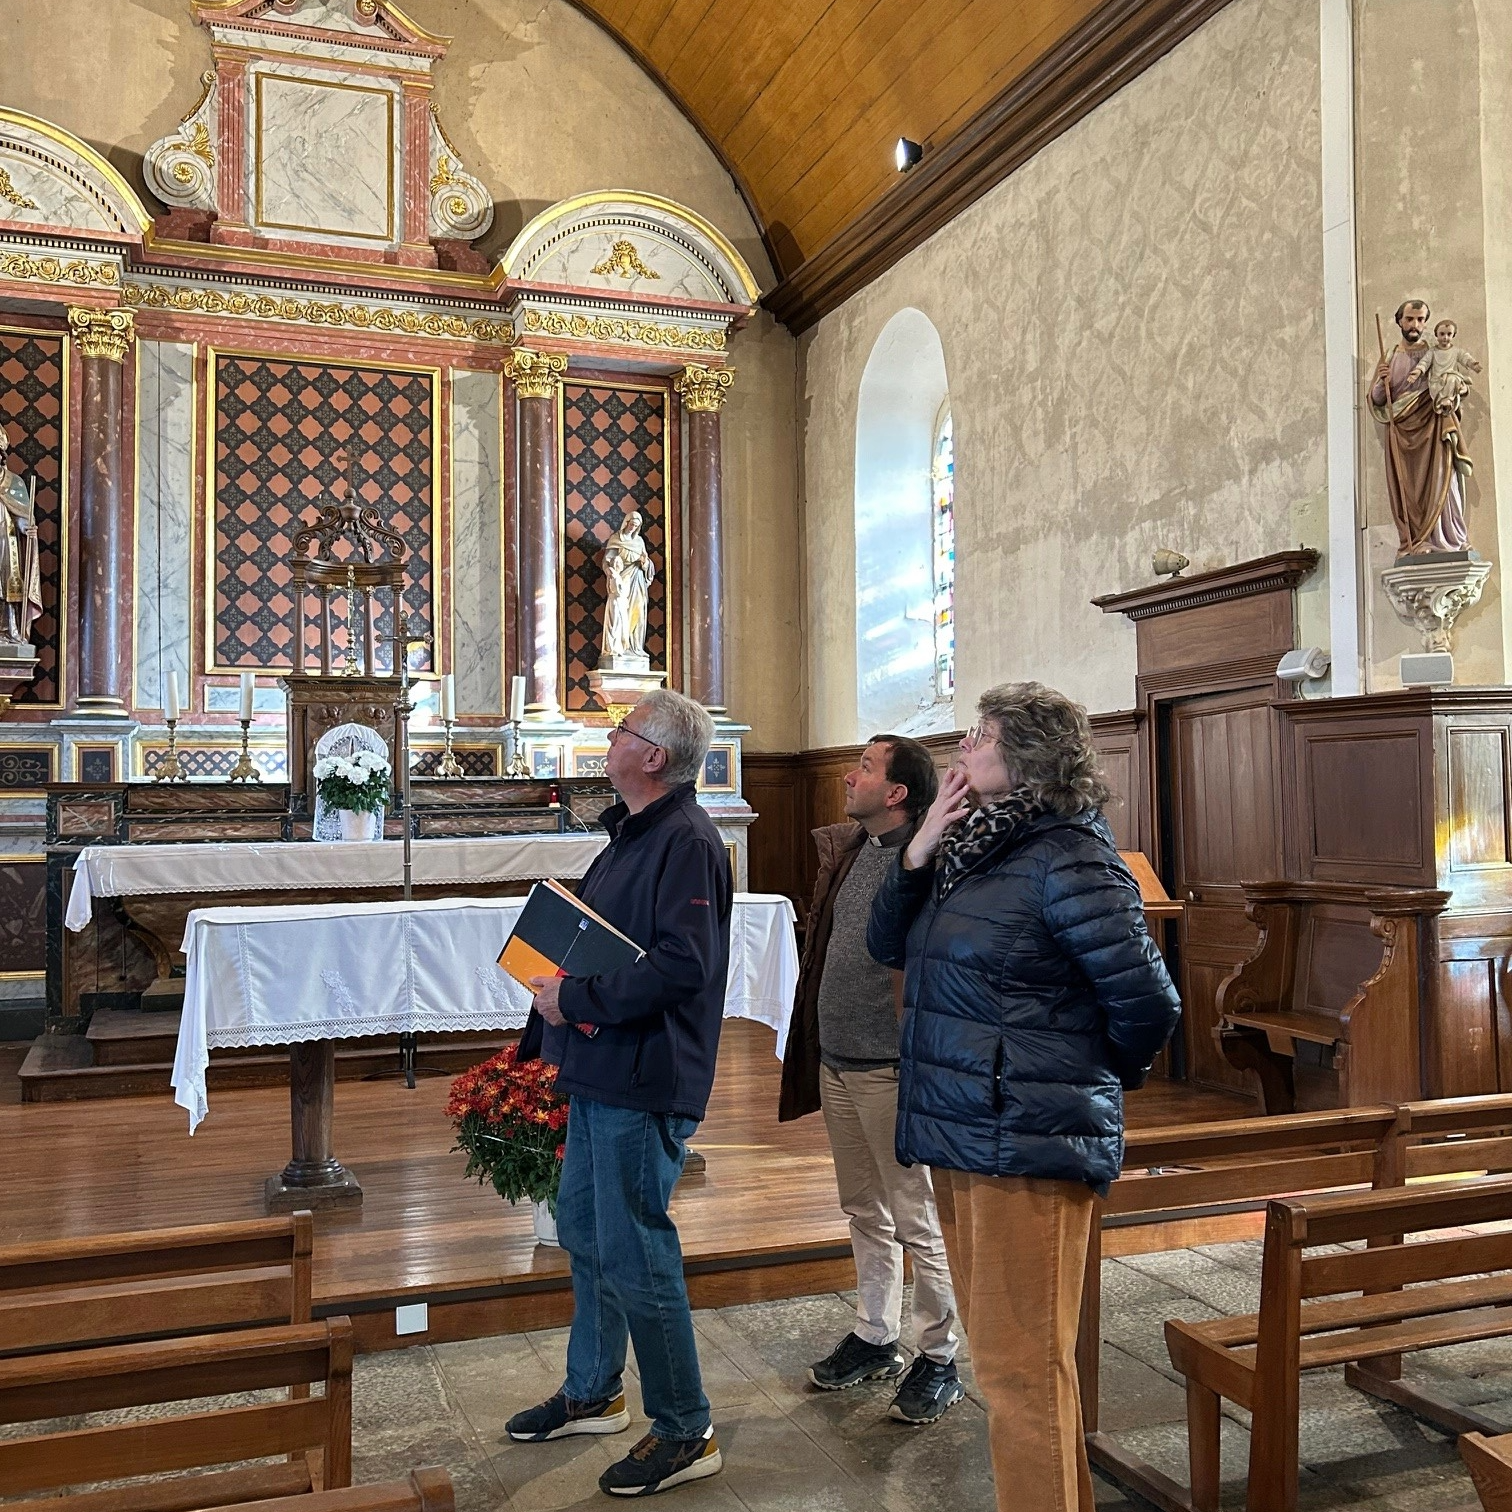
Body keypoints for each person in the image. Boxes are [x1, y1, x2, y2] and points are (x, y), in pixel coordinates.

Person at [868, 682, 1181, 1512]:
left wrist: (1073, 1079)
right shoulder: (973, 847)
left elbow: (1148, 1002)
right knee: (1014, 1369)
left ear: (1028, 755)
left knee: (1020, 1376)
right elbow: (886, 944)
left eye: (981, 734)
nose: (963, 747)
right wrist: (918, 849)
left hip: (1025, 1139)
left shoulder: (1068, 855)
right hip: (961, 1130)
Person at [508, 688, 731, 1499]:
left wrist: (576, 1000)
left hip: (645, 1070)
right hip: (603, 1062)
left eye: (623, 731)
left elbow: (683, 966)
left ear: (655, 757)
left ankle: (685, 1428)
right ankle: (594, 1390)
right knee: (585, 1230)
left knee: (637, 1250)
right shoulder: (632, 835)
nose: (610, 739)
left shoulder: (687, 841)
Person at [778, 734, 963, 1423]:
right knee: (863, 1208)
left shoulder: (927, 860)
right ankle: (875, 1334)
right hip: (838, 1059)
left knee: (917, 1217)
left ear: (896, 792)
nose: (848, 778)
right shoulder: (853, 848)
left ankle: (939, 1356)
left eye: (864, 767)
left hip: (891, 1066)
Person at [1368, 298, 1474, 555]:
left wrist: (1457, 388)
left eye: (1420, 320)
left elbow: (1453, 384)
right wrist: (1382, 381)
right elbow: (1378, 400)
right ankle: (1417, 541)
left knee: (1443, 481)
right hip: (1402, 431)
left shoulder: (1436, 353)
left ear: (1425, 323)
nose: (1415, 325)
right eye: (1409, 319)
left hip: (1433, 424)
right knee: (1409, 489)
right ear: (1399, 321)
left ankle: (1451, 538)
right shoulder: (1390, 356)